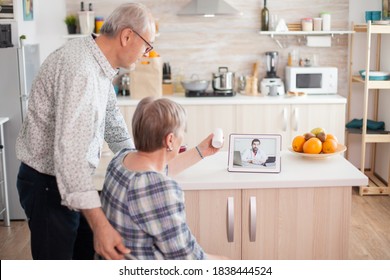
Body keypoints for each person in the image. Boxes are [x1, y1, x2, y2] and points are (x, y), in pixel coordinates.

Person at [15, 3, 207, 260]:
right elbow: (71, 158)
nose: (147, 53)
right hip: (47, 185)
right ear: (127, 36)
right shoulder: (81, 71)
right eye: (147, 45)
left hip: (69, 185)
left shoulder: (98, 63)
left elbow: (113, 122)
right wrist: (101, 226)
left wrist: (139, 160)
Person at [100, 97, 226, 260]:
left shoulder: (120, 160)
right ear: (170, 140)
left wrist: (201, 151)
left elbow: (161, 168)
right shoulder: (161, 188)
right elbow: (187, 258)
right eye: (182, 133)